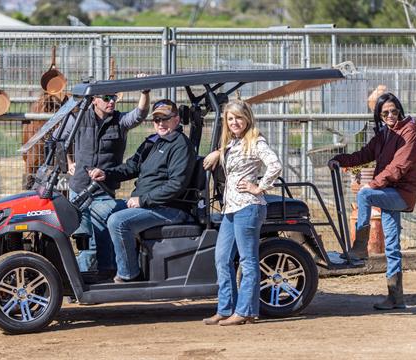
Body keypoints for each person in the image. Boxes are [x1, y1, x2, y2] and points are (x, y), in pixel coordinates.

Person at [328, 92, 416, 310]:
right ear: (379, 116)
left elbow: (399, 166)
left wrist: (373, 184)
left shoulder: (410, 131)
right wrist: (340, 160)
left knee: (364, 194)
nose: (390, 115)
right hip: (389, 191)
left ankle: (360, 246)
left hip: (401, 192)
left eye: (394, 111)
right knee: (391, 246)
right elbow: (364, 154)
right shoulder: (384, 133)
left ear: (400, 109)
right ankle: (395, 297)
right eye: (385, 113)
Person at [88, 99, 196, 283]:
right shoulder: (153, 142)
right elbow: (131, 166)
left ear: (176, 119)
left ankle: (129, 275)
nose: (161, 123)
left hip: (170, 208)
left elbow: (176, 185)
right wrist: (106, 174)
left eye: (165, 119)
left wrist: (142, 200)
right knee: (99, 209)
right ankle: (108, 267)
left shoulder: (180, 145)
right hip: (150, 205)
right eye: (157, 120)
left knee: (118, 222)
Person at [56, 81, 150, 276]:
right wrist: (68, 162)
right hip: (79, 188)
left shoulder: (120, 121)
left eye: (114, 97)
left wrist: (145, 93)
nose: (111, 102)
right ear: (94, 100)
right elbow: (59, 139)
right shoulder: (78, 119)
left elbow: (139, 115)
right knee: (84, 239)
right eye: (107, 98)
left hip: (104, 191)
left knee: (104, 236)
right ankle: (83, 281)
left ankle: (107, 278)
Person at [202, 100, 282, 326]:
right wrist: (219, 152)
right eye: (230, 119)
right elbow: (231, 154)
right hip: (230, 208)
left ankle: (245, 311)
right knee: (222, 258)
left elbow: (275, 165)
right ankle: (225, 308)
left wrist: (260, 187)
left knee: (248, 260)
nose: (234, 122)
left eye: (238, 117)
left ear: (247, 118)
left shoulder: (256, 140)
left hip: (249, 206)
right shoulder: (232, 143)